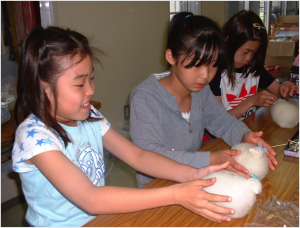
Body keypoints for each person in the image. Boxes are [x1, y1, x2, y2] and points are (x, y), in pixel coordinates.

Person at [12, 26, 243, 227]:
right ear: (43, 86)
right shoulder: (34, 137)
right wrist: (175, 194)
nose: (91, 89)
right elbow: (91, 199)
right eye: (80, 83)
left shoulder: (90, 115)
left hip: (101, 220)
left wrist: (192, 173)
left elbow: (138, 156)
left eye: (91, 78)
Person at [129, 12, 278, 189]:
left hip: (194, 181)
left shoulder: (200, 91)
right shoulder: (145, 98)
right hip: (158, 189)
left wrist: (244, 135)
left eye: (214, 64)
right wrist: (211, 158)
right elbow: (149, 155)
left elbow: (223, 122)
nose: (205, 75)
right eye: (197, 64)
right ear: (171, 57)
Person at [209, 10, 299, 121]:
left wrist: (287, 91)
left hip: (247, 130)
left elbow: (280, 93)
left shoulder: (253, 68)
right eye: (246, 52)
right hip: (224, 136)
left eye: (254, 52)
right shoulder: (214, 73)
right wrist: (251, 101)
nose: (249, 58)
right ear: (228, 41)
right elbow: (219, 122)